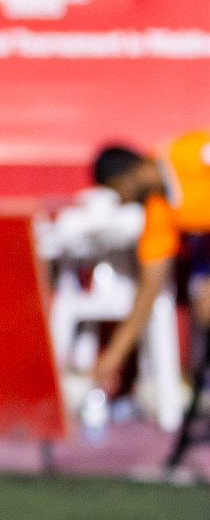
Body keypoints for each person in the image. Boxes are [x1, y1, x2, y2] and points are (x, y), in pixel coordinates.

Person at [89, 137, 210, 394]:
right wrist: (113, 357)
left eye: (119, 188)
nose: (121, 199)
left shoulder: (188, 152)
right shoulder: (158, 215)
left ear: (136, 169)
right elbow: (147, 292)